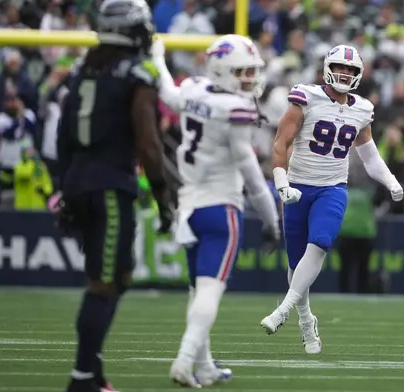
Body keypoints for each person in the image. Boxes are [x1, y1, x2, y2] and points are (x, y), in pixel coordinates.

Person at [55, 1, 172, 391]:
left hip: (81, 180)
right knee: (103, 283)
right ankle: (82, 379)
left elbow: (63, 135)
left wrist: (65, 188)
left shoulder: (82, 69)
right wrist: (162, 194)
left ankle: (93, 373)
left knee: (118, 275)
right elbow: (148, 143)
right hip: (109, 186)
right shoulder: (136, 73)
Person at [152, 35, 281, 387]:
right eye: (242, 72)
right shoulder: (234, 109)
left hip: (189, 208)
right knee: (209, 292)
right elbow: (253, 177)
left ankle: (205, 366)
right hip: (221, 209)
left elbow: (167, 93)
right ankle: (183, 360)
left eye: (252, 72)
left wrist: (158, 57)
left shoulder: (193, 89)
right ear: (222, 70)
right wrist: (272, 220)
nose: (250, 79)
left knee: (198, 291)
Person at [259, 44, 404, 354]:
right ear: (326, 67)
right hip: (298, 186)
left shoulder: (362, 109)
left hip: (332, 187)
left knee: (321, 242)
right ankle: (306, 319)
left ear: (359, 75)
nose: (344, 73)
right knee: (296, 262)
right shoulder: (306, 97)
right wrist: (281, 180)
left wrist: (390, 180)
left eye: (351, 70)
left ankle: (283, 309)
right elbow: (281, 141)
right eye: (340, 67)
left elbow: (370, 156)